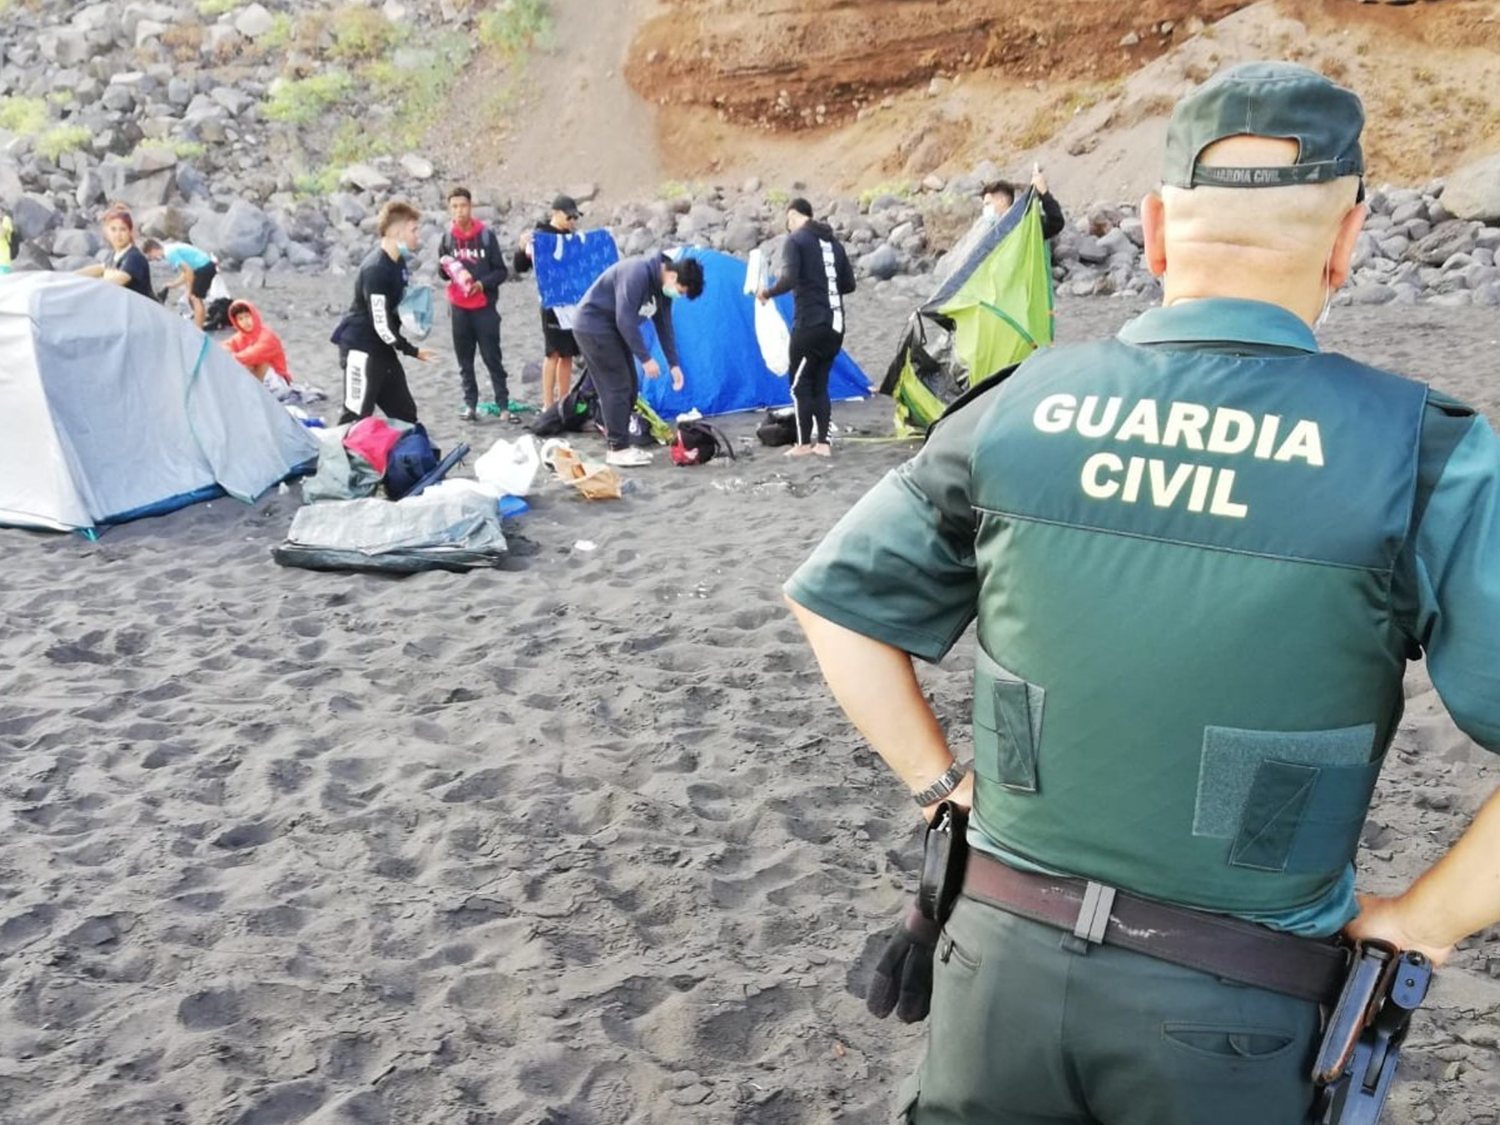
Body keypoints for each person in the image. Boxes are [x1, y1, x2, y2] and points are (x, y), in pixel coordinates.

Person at [784, 61, 1500, 1125]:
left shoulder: (1021, 403)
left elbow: (833, 603)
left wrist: (941, 785)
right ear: (1349, 241)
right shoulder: (1423, 455)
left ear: (1157, 233)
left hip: (996, 974)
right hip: (1238, 1012)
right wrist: (1428, 920)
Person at [572, 252, 705, 468]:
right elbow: (624, 320)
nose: (677, 295)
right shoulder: (637, 273)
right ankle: (616, 448)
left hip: (613, 331)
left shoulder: (663, 293)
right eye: (679, 291)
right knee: (616, 387)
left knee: (631, 388)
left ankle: (621, 443)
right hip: (592, 326)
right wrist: (645, 358)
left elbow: (665, 327)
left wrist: (674, 364)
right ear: (672, 276)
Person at [757, 197, 855, 458]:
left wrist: (767, 292)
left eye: (787, 220)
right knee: (819, 383)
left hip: (810, 322)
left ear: (793, 215)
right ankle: (823, 442)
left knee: (799, 385)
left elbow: (789, 278)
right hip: (836, 325)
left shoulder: (796, 240)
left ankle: (803, 443)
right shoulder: (834, 243)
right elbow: (849, 284)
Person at [335, 200, 435, 425]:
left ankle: (409, 458)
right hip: (360, 348)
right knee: (355, 417)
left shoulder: (398, 262)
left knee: (405, 413)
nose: (418, 235)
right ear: (398, 232)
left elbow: (394, 307)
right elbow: (380, 322)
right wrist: (412, 350)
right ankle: (339, 459)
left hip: (383, 349)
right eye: (414, 230)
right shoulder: (376, 269)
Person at [437, 186, 513, 423]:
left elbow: (502, 271)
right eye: (455, 207)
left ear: (471, 207)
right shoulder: (448, 238)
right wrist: (447, 268)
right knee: (464, 360)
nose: (459, 211)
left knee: (492, 357)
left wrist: (481, 284)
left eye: (463, 205)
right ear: (450, 209)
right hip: (459, 308)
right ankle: (470, 405)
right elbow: (442, 273)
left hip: (484, 307)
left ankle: (503, 405)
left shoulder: (486, 236)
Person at [513, 194, 584, 413]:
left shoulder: (571, 237)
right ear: (556, 213)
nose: (572, 221)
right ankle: (547, 402)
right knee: (552, 352)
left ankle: (563, 399)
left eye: (575, 217)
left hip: (570, 302)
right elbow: (520, 266)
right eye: (569, 216)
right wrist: (522, 246)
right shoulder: (541, 235)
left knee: (568, 353)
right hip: (551, 302)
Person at [75, 205, 153, 300]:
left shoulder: (134, 257)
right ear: (107, 232)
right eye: (113, 229)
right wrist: (70, 277)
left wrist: (85, 288)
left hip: (142, 311)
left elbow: (119, 279)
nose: (118, 234)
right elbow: (100, 268)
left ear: (130, 232)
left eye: (123, 229)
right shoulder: (114, 255)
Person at [141, 237, 217, 329]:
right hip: (203, 266)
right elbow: (186, 272)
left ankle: (198, 329)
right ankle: (200, 322)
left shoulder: (170, 254)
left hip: (204, 267)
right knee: (193, 299)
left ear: (152, 250)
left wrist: (188, 291)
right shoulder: (169, 248)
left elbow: (189, 271)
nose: (151, 259)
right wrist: (173, 284)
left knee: (195, 298)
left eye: (149, 256)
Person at [982, 163, 1066, 240]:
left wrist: (1043, 192)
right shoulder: (993, 235)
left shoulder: (1026, 226)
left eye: (988, 204)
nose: (985, 209)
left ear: (1002, 201)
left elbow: (1056, 222)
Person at [223, 299, 290, 386]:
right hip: (259, 381)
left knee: (261, 364)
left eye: (247, 316)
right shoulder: (240, 337)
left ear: (254, 315)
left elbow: (253, 354)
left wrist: (230, 357)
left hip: (278, 381)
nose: (245, 322)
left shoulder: (268, 336)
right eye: (240, 319)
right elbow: (225, 346)